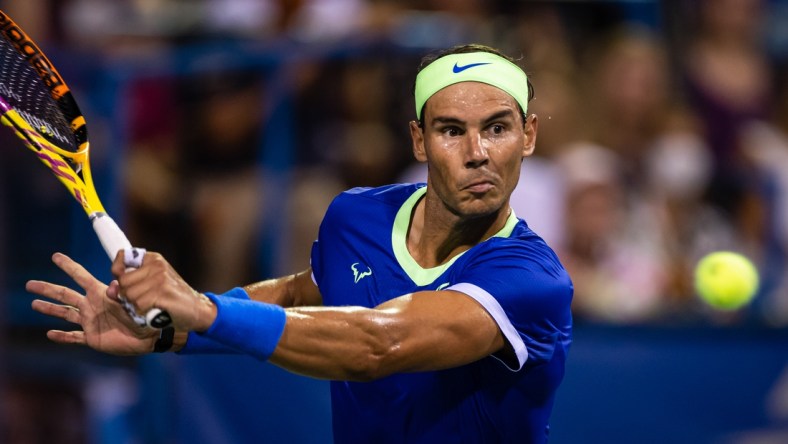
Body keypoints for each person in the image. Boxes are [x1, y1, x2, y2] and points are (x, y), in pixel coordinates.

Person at [26, 44, 573, 443]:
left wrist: (198, 309)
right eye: (452, 130)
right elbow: (298, 296)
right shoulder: (357, 216)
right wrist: (173, 331)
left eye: (498, 128)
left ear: (528, 137)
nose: (477, 152)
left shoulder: (531, 280)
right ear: (419, 140)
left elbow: (377, 345)